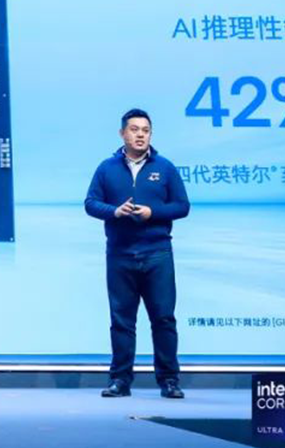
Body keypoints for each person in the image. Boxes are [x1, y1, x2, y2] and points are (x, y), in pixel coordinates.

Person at [84, 108, 189, 399]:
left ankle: (169, 380)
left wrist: (152, 213)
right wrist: (115, 212)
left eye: (145, 130)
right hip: (120, 256)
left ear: (150, 134)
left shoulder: (165, 168)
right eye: (134, 129)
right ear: (122, 134)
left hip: (157, 255)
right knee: (121, 321)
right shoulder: (106, 168)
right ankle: (120, 381)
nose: (140, 135)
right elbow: (91, 203)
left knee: (164, 319)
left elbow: (182, 206)